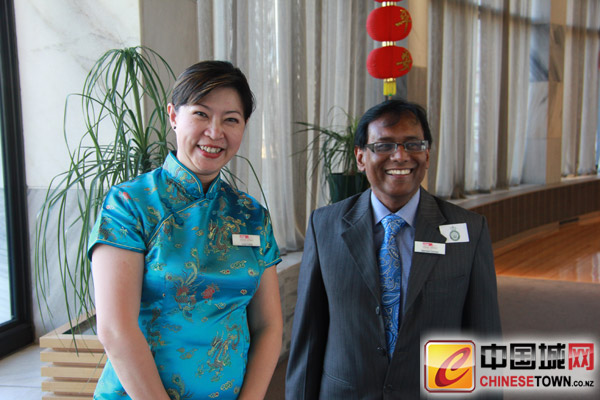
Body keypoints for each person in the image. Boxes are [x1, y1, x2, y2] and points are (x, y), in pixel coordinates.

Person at [89, 61, 282, 400]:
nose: (215, 132)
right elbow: (116, 329)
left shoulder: (251, 215)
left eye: (231, 119)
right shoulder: (131, 204)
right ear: (174, 116)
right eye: (201, 114)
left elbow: (268, 325)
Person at [286, 99, 502, 399]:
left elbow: (484, 337)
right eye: (384, 145)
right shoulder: (324, 226)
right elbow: (309, 334)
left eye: (412, 144)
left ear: (427, 155)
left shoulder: (469, 230)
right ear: (361, 157)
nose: (400, 156)